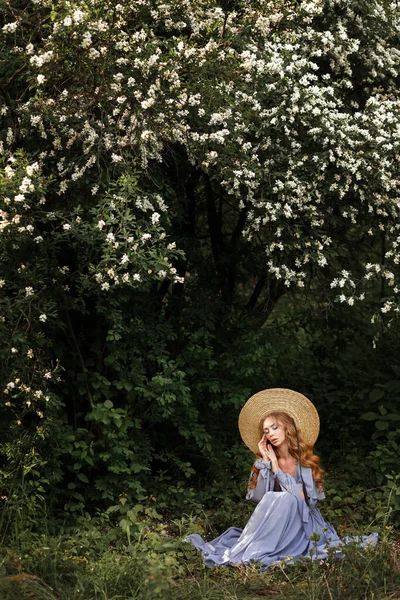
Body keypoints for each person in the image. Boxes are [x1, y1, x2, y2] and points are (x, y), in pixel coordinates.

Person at [186, 388, 377, 569]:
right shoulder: (266, 462)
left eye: (274, 427)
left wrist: (278, 470)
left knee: (286, 497)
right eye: (266, 431)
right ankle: (255, 549)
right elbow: (260, 500)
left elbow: (302, 502)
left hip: (303, 524)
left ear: (287, 428)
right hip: (274, 523)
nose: (270, 434)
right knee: (276, 497)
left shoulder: (305, 462)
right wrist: (266, 464)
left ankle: (263, 550)